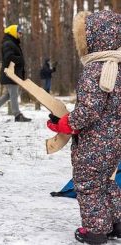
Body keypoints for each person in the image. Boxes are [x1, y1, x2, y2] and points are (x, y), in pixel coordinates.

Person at [47, 10, 120, 244]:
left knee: (88, 184)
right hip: (115, 140)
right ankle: (117, 222)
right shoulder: (118, 67)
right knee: (106, 181)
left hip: (94, 142)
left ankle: (96, 230)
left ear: (91, 38)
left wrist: (65, 123)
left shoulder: (94, 69)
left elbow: (89, 110)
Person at [0, 24, 31, 123]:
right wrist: (21, 60)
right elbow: (8, 57)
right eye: (19, 33)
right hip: (11, 74)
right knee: (14, 94)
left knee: (10, 94)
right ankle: (17, 115)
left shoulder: (12, 43)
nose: (21, 35)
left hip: (13, 74)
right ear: (13, 32)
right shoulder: (8, 43)